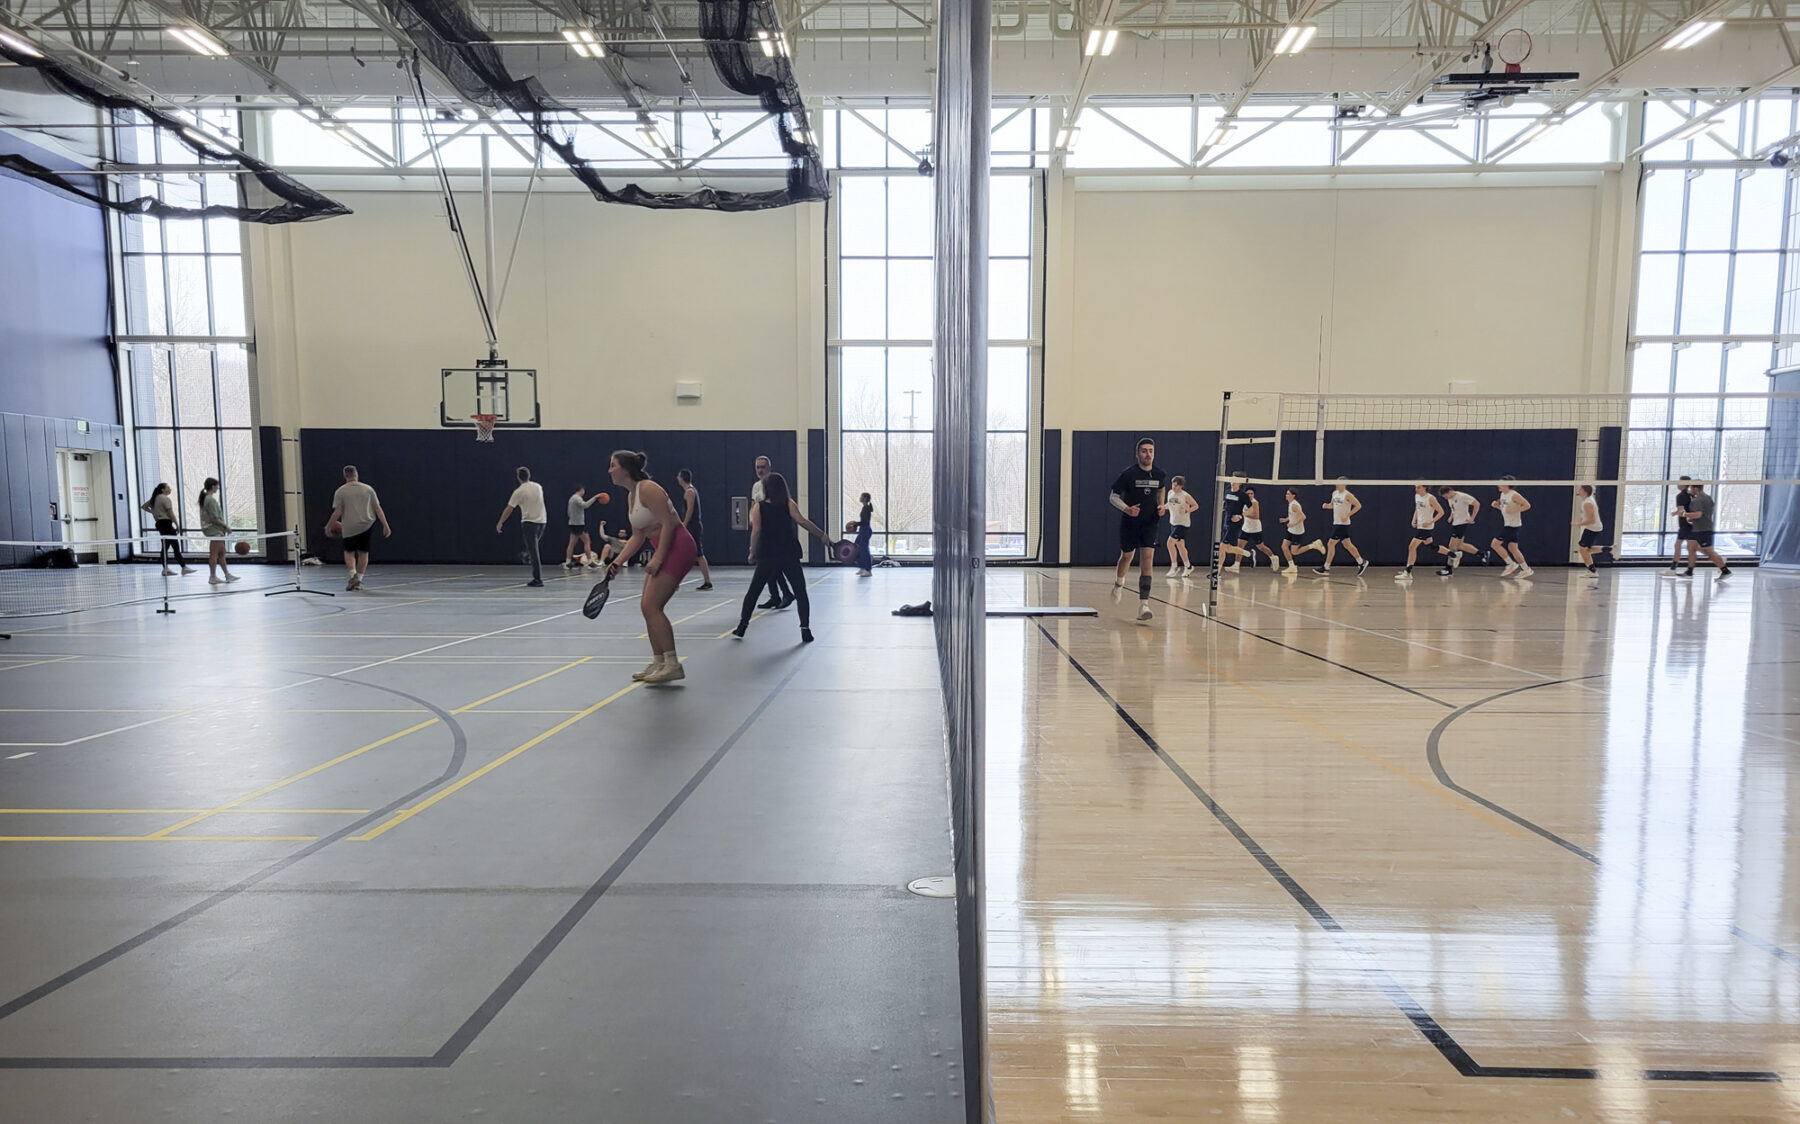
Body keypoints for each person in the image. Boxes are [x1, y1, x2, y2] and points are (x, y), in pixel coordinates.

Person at [608, 450, 700, 684]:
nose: (610, 470)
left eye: (613, 466)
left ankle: (672, 664)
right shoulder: (632, 496)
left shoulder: (648, 489)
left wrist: (658, 557)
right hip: (663, 545)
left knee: (652, 605)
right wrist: (618, 561)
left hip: (677, 545)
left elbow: (669, 523)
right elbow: (637, 536)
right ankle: (659, 662)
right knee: (646, 606)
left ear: (625, 469)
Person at [734, 471, 831, 643]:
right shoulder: (788, 503)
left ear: (766, 489)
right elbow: (803, 521)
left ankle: (742, 626)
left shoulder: (759, 506)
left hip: (767, 553)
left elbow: (756, 531)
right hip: (788, 552)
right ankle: (805, 629)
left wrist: (752, 552)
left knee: (753, 592)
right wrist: (821, 535)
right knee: (800, 592)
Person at [1110, 437, 1167, 621]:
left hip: (1150, 523)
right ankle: (1119, 584)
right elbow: (1113, 496)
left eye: (1150, 450)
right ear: (1137, 454)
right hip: (1130, 523)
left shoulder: (1159, 474)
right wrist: (1127, 508)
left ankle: (1144, 604)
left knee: (1147, 559)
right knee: (1127, 556)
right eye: (1144, 451)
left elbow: (1161, 489)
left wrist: (1161, 505)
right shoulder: (1128, 474)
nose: (1147, 454)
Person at [326, 465, 390, 591]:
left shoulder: (340, 491)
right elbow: (378, 509)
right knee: (363, 553)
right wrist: (385, 525)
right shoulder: (368, 489)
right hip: (366, 525)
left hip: (349, 526)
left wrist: (329, 526)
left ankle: (352, 575)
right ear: (356, 474)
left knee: (349, 552)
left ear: (345, 476)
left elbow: (338, 512)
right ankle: (359, 579)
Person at [751, 455, 797, 609]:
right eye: (758, 467)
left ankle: (785, 593)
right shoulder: (756, 486)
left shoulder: (775, 485)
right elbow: (755, 505)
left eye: (763, 467)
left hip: (775, 531)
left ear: (769, 468)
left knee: (771, 565)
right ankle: (776, 595)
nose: (760, 470)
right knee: (767, 565)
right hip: (762, 529)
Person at [496, 466, 548, 587]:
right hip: (542, 521)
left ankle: (538, 579)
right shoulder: (538, 487)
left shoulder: (519, 492)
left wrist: (500, 522)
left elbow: (509, 509)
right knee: (533, 548)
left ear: (518, 477)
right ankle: (526, 554)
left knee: (534, 551)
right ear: (529, 475)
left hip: (529, 523)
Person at [1313, 477, 1368, 576]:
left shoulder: (1348, 495)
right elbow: (1333, 505)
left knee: (1330, 544)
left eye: (1339, 483)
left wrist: (1347, 515)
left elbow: (1358, 505)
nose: (1336, 485)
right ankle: (1361, 562)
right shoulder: (1334, 493)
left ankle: (1326, 567)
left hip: (1342, 524)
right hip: (1336, 522)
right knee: (1347, 545)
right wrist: (1327, 506)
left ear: (1344, 484)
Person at [1678, 481, 1732, 579]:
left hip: (1703, 530)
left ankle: (1725, 570)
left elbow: (1698, 514)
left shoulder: (1697, 500)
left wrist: (1684, 514)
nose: (1690, 490)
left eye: (1691, 488)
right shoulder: (1708, 498)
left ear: (1696, 488)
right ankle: (1689, 571)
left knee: (1709, 552)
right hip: (1699, 529)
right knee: (1691, 547)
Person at [139, 482, 192, 577]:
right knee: (175, 546)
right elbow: (170, 513)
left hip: (159, 524)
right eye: (168, 487)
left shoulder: (154, 498)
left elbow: (144, 507)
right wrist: (177, 524)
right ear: (163, 489)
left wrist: (154, 512)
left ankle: (166, 568)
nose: (170, 489)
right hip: (166, 524)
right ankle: (183, 567)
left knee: (165, 546)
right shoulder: (165, 499)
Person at [1488, 476, 1534, 578]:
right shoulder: (1502, 495)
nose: (1498, 486)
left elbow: (1527, 505)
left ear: (1507, 484)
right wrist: (1497, 506)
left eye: (1500, 483)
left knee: (1495, 544)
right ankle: (1526, 569)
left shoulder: (1514, 495)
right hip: (1509, 524)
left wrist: (1514, 510)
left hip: (1512, 525)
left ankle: (1510, 564)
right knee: (1513, 548)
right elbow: (1505, 509)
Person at [676, 470, 714, 591]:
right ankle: (676, 581)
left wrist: (684, 524)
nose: (677, 478)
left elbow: (690, 510)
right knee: (686, 554)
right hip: (692, 526)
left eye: (678, 476)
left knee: (698, 554)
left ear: (682, 478)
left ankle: (708, 582)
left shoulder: (689, 492)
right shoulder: (690, 491)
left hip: (693, 526)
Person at [1397, 483, 1444, 581]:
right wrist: (1414, 519)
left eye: (1418, 487)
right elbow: (1417, 509)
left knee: (1412, 547)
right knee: (1431, 546)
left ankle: (1408, 572)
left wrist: (1430, 522)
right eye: (1415, 487)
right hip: (1420, 525)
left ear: (1425, 487)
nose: (1416, 489)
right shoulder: (1417, 496)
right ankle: (1454, 555)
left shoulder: (1431, 498)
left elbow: (1441, 512)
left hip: (1426, 528)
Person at [197, 477, 238, 586]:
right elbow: (215, 517)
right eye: (217, 486)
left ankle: (227, 574)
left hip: (217, 530)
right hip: (213, 530)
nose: (218, 488)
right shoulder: (210, 500)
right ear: (213, 486)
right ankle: (212, 576)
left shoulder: (207, 498)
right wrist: (226, 527)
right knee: (214, 554)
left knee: (221, 553)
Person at [1435, 486, 1481, 577]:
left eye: (1446, 496)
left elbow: (1476, 504)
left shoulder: (1462, 496)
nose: (1446, 498)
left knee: (1452, 546)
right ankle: (1482, 554)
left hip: (1462, 523)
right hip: (1456, 523)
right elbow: (1453, 509)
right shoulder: (1450, 498)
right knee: (1460, 545)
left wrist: (1472, 517)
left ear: (1450, 491)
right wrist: (1451, 517)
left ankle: (1449, 568)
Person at [1278, 487, 1324, 574]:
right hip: (1291, 530)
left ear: (1293, 496)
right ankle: (1292, 566)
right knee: (1284, 547)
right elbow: (1293, 515)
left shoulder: (1295, 505)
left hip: (1297, 531)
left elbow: (1303, 517)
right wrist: (1286, 519)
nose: (1286, 495)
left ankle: (1313, 545)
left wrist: (1293, 524)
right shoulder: (1291, 504)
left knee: (1294, 552)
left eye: (1288, 494)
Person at [1163, 475, 1200, 578]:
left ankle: (1174, 566)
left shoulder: (1185, 496)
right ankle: (1188, 566)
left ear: (1181, 486)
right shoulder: (1170, 493)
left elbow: (1196, 506)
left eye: (1176, 485)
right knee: (1180, 546)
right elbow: (1169, 505)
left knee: (1170, 543)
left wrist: (1187, 510)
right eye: (1173, 485)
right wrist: (1163, 507)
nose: (1174, 487)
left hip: (1182, 524)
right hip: (1173, 522)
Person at [1237, 485, 1280, 570]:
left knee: (1261, 547)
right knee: (1239, 547)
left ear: (1254, 495)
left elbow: (1256, 516)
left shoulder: (1254, 502)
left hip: (1255, 529)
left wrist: (1245, 514)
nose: (1249, 495)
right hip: (1245, 527)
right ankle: (1236, 565)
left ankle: (1273, 558)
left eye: (1251, 493)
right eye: (1248, 493)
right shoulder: (1243, 502)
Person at [1218, 474, 1254, 573]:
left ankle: (1217, 572)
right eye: (1232, 479)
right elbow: (1226, 504)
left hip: (1235, 524)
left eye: (1236, 480)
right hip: (1226, 521)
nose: (1233, 481)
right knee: (1228, 548)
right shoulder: (1227, 491)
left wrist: (1241, 516)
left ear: (1240, 482)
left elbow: (1251, 509)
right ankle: (1248, 554)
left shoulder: (1243, 495)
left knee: (1222, 547)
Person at [1572, 484, 1608, 578]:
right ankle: (1609, 549)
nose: (1579, 490)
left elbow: (1591, 520)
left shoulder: (1587, 503)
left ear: (1584, 491)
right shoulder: (1587, 500)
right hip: (1593, 528)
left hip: (1592, 528)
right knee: (1585, 550)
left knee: (1583, 549)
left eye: (1580, 489)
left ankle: (1593, 572)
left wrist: (1578, 524)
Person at [563, 486, 603, 570]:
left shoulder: (572, 498)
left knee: (572, 543)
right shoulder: (576, 498)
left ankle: (568, 562)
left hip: (573, 523)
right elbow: (585, 505)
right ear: (581, 490)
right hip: (579, 524)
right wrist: (595, 497)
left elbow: (569, 512)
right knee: (587, 541)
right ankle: (590, 562)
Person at [1667, 477, 1694, 574]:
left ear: (1684, 484)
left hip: (1685, 525)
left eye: (1679, 482)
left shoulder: (1680, 496)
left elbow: (1682, 511)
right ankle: (1675, 567)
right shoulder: (1691, 495)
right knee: (1680, 545)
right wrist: (1676, 513)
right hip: (1691, 524)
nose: (1677, 483)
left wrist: (1678, 513)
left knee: (1688, 547)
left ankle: (1675, 567)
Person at [852, 492, 875, 577]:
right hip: (862, 529)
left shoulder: (866, 509)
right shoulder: (864, 507)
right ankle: (862, 567)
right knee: (857, 547)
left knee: (864, 550)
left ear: (865, 498)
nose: (860, 497)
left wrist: (856, 523)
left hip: (865, 530)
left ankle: (868, 570)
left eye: (861, 496)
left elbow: (864, 522)